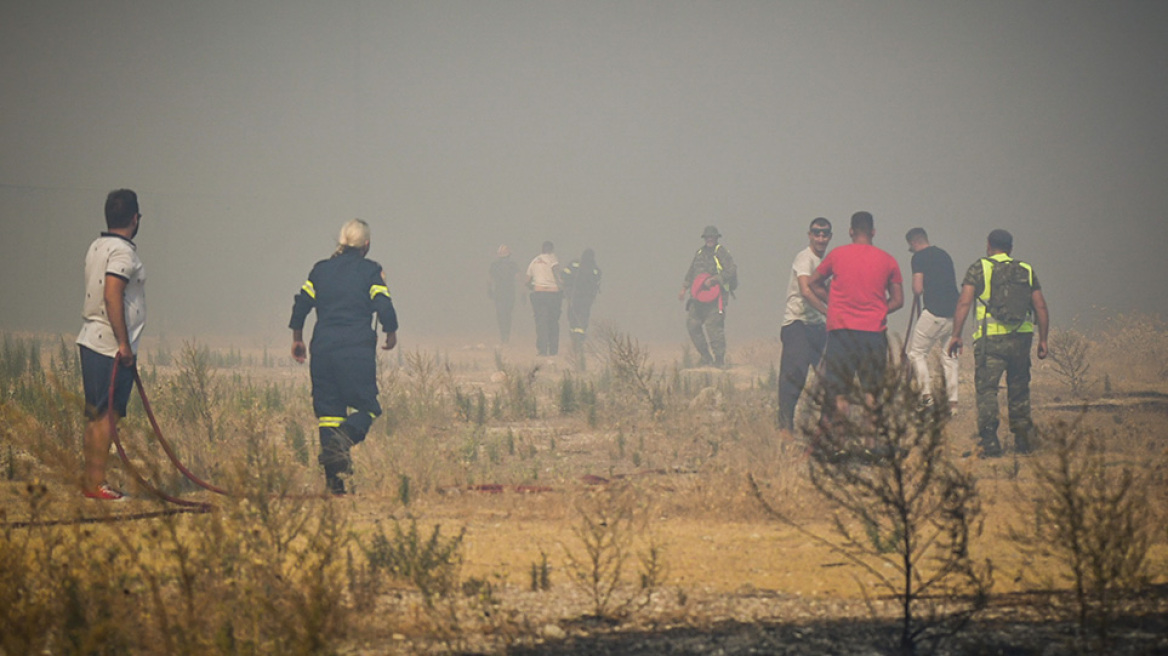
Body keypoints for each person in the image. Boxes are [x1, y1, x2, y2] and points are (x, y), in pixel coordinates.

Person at [289, 219, 398, 495]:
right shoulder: (370, 270)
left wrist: (297, 338)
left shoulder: (320, 270)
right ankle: (343, 442)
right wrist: (391, 331)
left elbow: (301, 304)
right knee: (368, 407)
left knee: (329, 415)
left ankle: (335, 487)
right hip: (355, 350)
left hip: (323, 349)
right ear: (366, 245)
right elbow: (383, 304)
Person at [947, 229, 1049, 458]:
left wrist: (956, 334)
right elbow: (1040, 306)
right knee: (1019, 388)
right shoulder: (1026, 270)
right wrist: (1043, 339)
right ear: (1011, 248)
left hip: (990, 341)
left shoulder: (979, 268)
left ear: (988, 245)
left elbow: (964, 302)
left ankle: (989, 442)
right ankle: (1023, 441)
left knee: (987, 391)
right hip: (1021, 340)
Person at [76, 189, 146, 500]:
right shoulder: (122, 253)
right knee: (106, 417)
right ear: (135, 218)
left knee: (97, 415)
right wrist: (124, 344)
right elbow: (112, 294)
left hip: (93, 338)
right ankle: (96, 484)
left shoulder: (97, 246)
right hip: (110, 346)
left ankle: (91, 482)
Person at [808, 211, 903, 422]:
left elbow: (813, 282)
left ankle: (841, 437)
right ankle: (871, 439)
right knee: (872, 393)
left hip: (841, 332)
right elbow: (898, 300)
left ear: (851, 231)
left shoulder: (836, 255)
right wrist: (878, 310)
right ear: (873, 232)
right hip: (873, 333)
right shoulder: (888, 260)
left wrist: (832, 302)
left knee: (840, 393)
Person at [778, 218, 832, 432]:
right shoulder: (805, 258)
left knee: (829, 377)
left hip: (817, 325)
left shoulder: (824, 261)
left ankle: (824, 430)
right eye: (817, 233)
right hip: (798, 324)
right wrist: (829, 311)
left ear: (830, 237)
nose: (821, 238)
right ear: (810, 235)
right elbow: (806, 291)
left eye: (825, 234)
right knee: (793, 378)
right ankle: (785, 429)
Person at [904, 228, 960, 409]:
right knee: (949, 356)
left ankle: (926, 398)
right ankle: (953, 403)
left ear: (913, 242)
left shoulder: (918, 257)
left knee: (917, 354)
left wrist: (915, 286)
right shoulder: (944, 254)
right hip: (954, 313)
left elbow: (917, 289)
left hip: (934, 312)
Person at [679, 225, 737, 368]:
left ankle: (719, 360)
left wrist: (715, 279)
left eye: (712, 237)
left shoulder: (721, 252)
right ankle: (706, 357)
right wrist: (684, 288)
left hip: (716, 299)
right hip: (698, 298)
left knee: (714, 328)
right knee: (692, 325)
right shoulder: (699, 253)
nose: (710, 239)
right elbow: (691, 272)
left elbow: (731, 271)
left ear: (716, 238)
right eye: (707, 237)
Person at [561, 248, 602, 367]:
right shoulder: (595, 269)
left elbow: (564, 275)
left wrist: (566, 287)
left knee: (572, 317)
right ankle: (580, 338)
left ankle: (575, 338)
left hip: (574, 296)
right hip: (587, 299)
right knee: (583, 318)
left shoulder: (575, 264)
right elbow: (597, 279)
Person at [526, 241, 562, 358]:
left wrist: (533, 286)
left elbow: (527, 280)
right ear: (552, 249)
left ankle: (542, 350)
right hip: (553, 295)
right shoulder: (553, 258)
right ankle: (553, 350)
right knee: (553, 322)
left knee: (541, 322)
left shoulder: (534, 261)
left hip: (539, 295)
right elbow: (557, 272)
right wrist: (562, 286)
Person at [488, 244, 520, 345]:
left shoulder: (494, 265)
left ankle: (503, 335)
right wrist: (523, 292)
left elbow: (489, 279)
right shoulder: (513, 265)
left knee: (500, 314)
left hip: (499, 292)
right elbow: (519, 279)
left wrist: (489, 290)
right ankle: (506, 335)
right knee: (508, 314)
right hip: (510, 292)